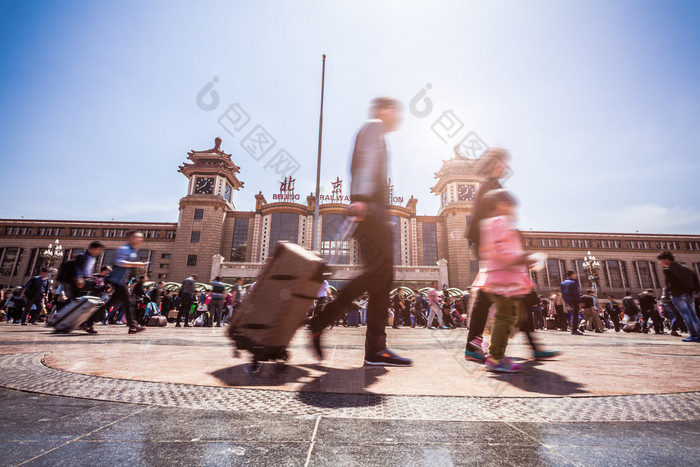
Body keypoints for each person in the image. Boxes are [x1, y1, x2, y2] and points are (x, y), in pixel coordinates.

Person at [309, 97, 411, 367]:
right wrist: (362, 198)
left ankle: (369, 345)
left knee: (378, 280)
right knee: (378, 277)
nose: (398, 117)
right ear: (383, 110)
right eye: (395, 111)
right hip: (370, 214)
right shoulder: (373, 127)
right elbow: (363, 162)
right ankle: (373, 347)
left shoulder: (377, 131)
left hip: (375, 214)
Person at [470, 189, 534, 372]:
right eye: (509, 204)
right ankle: (496, 357)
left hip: (505, 277)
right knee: (506, 316)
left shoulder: (500, 223)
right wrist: (520, 258)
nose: (512, 208)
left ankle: (489, 343)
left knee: (512, 316)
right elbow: (499, 249)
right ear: (499, 205)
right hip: (502, 277)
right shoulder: (498, 223)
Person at [464, 148, 511, 360]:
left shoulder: (493, 184)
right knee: (495, 297)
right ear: (494, 163)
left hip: (492, 244)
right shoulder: (488, 185)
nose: (505, 166)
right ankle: (490, 352)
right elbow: (482, 217)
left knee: (489, 297)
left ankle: (477, 346)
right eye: (502, 162)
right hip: (490, 245)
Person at [85, 231, 149, 334]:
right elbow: (119, 262)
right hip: (116, 280)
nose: (140, 239)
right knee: (129, 302)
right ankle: (133, 326)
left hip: (121, 280)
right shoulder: (124, 249)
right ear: (131, 238)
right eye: (137, 237)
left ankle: (88, 322)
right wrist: (136, 264)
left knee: (110, 304)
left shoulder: (133, 250)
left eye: (141, 238)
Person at [657, 251, 700, 342]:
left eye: (661, 260)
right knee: (693, 314)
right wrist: (694, 290)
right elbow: (695, 280)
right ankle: (698, 334)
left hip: (678, 295)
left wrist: (671, 294)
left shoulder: (668, 270)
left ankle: (694, 335)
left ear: (666, 259)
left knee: (686, 315)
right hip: (690, 295)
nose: (660, 262)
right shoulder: (686, 268)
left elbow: (673, 284)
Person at [561, 271, 583, 336]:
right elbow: (575, 293)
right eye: (574, 274)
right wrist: (579, 301)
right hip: (574, 300)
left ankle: (573, 328)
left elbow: (563, 293)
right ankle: (574, 330)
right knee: (575, 315)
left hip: (567, 301)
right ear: (572, 275)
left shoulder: (563, 283)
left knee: (572, 315)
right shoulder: (573, 282)